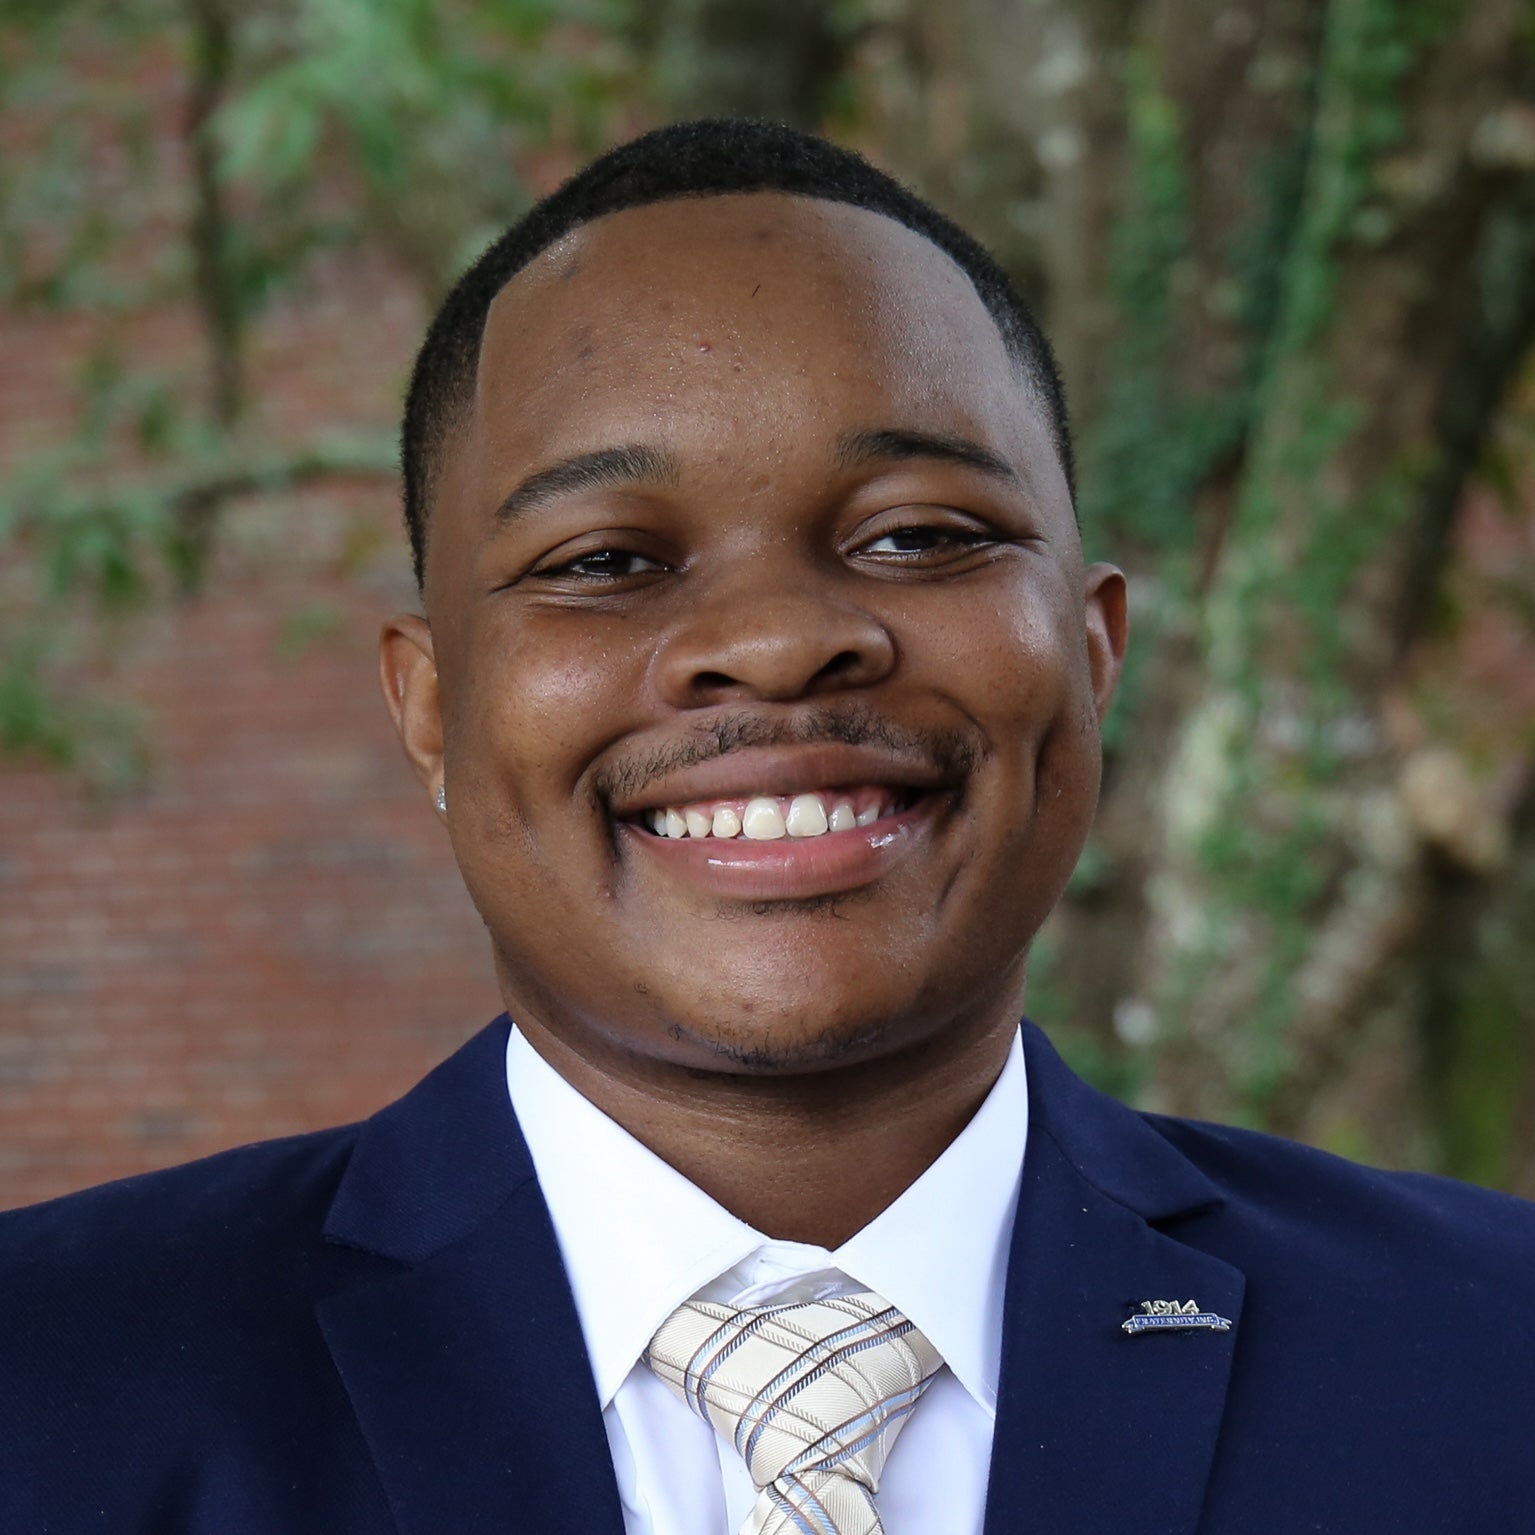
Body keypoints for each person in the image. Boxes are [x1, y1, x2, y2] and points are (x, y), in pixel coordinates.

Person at [1, 118, 1532, 1535]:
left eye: (920, 533)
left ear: (1092, 649)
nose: (780, 639)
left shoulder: (1490, 1362)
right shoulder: (49, 1387)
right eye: (606, 558)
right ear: (430, 709)